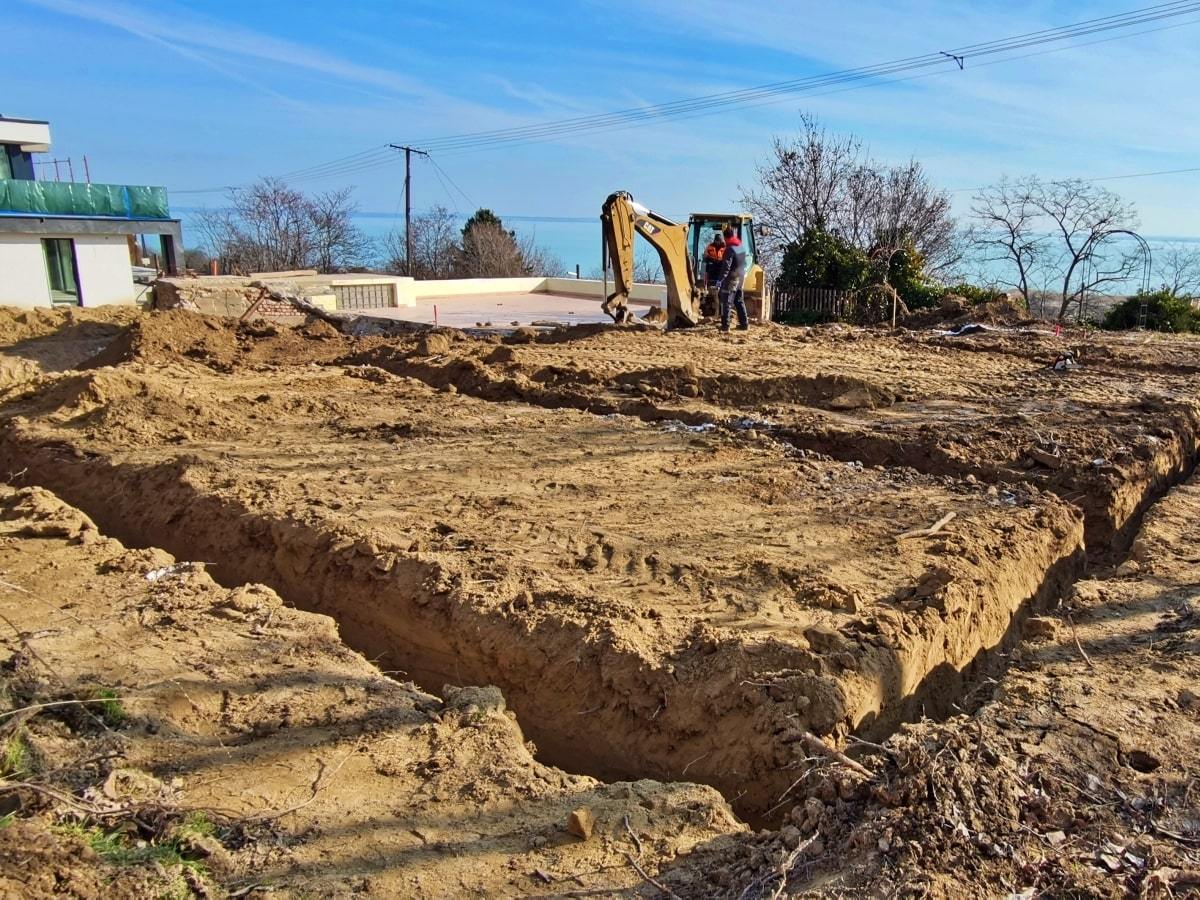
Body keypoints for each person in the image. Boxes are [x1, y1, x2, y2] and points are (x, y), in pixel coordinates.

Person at [715, 225, 748, 331]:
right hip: (741, 277)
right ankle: (744, 324)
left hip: (732, 278)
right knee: (739, 300)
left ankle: (725, 326)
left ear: (725, 237)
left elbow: (726, 266)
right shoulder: (740, 247)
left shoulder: (729, 249)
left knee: (726, 301)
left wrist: (720, 280)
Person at [701, 233, 725, 317]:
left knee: (721, 294)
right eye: (716, 241)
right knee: (711, 293)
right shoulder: (710, 247)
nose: (717, 242)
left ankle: (721, 312)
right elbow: (705, 256)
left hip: (722, 270)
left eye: (719, 241)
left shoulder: (725, 247)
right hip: (711, 269)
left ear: (721, 241)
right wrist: (708, 259)